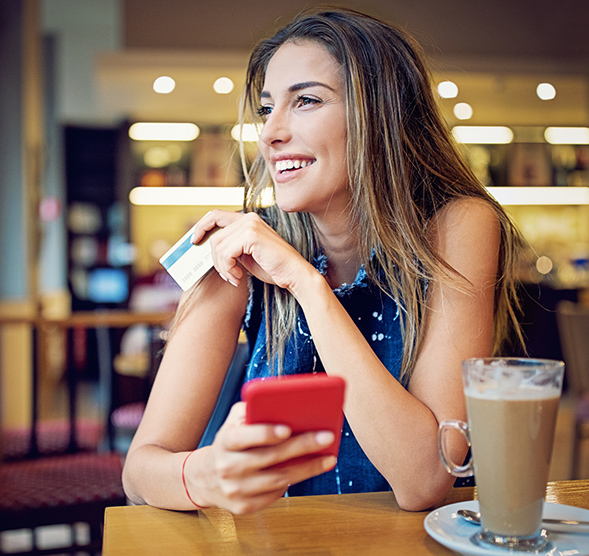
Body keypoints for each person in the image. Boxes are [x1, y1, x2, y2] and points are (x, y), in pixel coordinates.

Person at [122, 7, 524, 514]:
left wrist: (306, 284)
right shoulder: (234, 249)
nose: (270, 133)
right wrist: (203, 475)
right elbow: (138, 472)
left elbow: (426, 478)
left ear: (383, 116)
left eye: (306, 100)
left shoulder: (458, 225)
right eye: (268, 109)